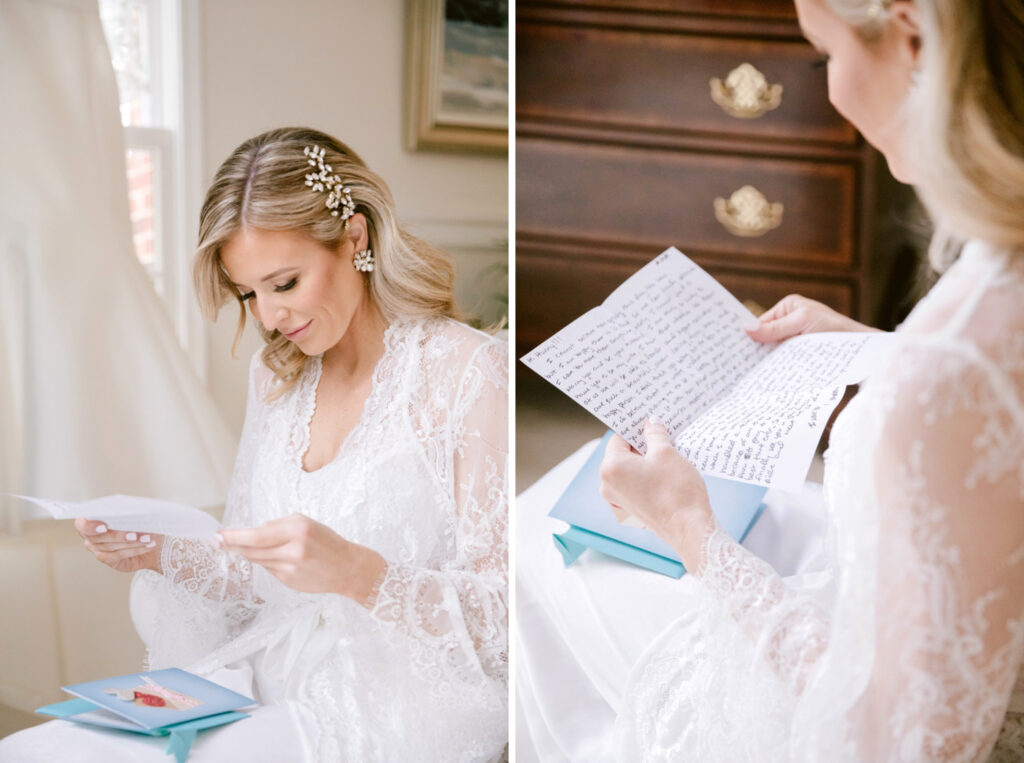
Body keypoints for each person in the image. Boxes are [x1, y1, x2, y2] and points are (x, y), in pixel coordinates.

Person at [516, 0, 1024, 760]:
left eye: (824, 57)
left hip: (843, 691)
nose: (832, 92)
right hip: (923, 600)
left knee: (532, 544)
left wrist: (694, 532)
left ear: (914, 39)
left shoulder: (947, 364)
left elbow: (896, 743)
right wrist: (871, 347)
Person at [0, 127, 508, 761]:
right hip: (263, 673)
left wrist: (358, 573)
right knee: (32, 751)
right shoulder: (275, 376)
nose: (269, 318)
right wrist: (159, 553)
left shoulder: (468, 371)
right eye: (249, 294)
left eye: (285, 283)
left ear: (355, 238)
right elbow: (256, 572)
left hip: (394, 702)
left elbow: (506, 620)